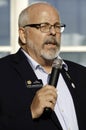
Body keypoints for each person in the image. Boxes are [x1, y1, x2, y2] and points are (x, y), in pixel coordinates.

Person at [0, 2, 86, 130]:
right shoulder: (3, 73)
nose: (53, 32)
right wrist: (31, 113)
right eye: (44, 26)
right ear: (23, 34)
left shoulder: (81, 74)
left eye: (57, 26)